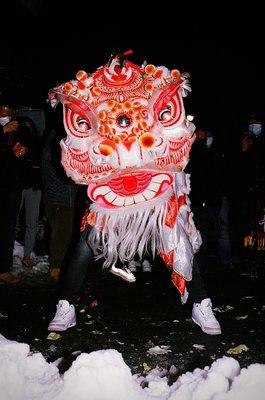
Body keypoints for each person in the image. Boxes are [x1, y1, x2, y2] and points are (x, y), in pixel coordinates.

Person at [41, 119, 78, 281]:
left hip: (62, 198)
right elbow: (62, 173)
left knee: (64, 232)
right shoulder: (56, 146)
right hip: (60, 199)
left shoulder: (54, 143)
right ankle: (55, 268)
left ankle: (59, 266)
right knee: (61, 234)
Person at [0, 100, 32, 284]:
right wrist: (2, 131)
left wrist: (25, 149)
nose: (6, 112)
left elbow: (33, 144)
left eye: (9, 109)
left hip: (12, 184)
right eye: (3, 109)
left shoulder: (19, 125)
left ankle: (4, 268)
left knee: (8, 226)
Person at [19, 116, 42, 268]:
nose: (28, 130)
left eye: (30, 127)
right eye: (24, 127)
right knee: (10, 222)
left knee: (31, 223)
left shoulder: (38, 145)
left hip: (34, 188)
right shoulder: (14, 142)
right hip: (17, 187)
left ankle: (27, 255)